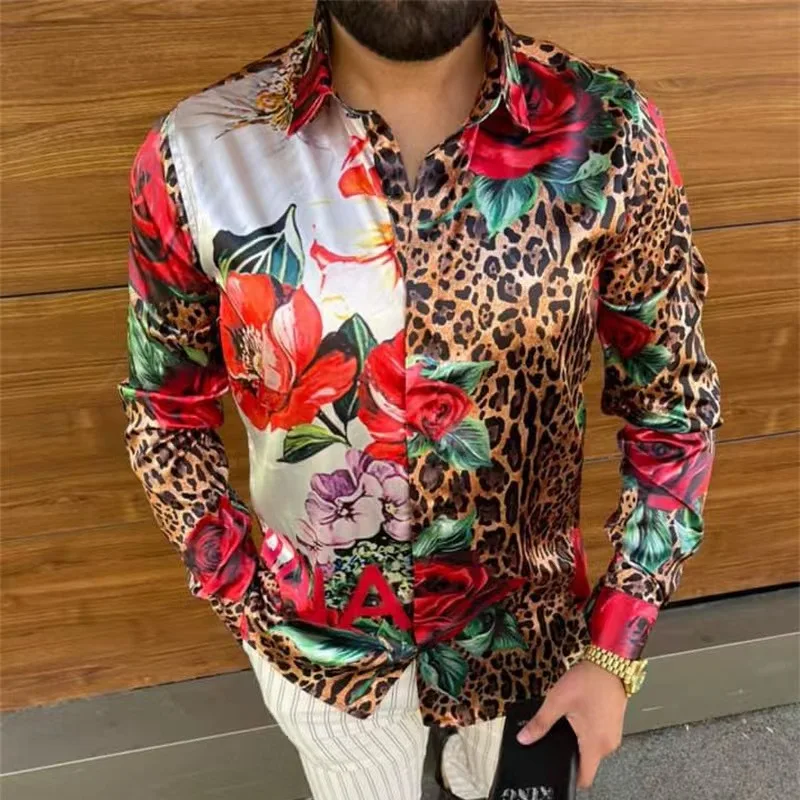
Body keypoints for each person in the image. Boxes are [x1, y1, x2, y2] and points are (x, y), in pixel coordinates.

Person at [119, 1, 721, 798]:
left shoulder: (607, 133)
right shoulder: (199, 152)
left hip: (528, 634)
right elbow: (165, 409)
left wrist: (616, 644)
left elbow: (672, 403)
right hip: (321, 651)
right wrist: (247, 599)